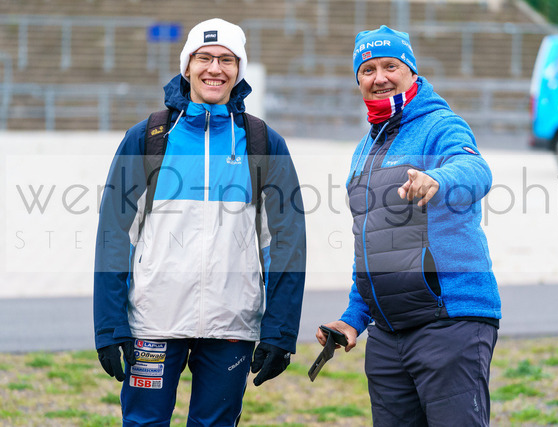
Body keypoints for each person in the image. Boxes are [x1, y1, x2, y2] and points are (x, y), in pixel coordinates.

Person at [94, 18, 306, 426]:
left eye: (227, 59)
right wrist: (109, 325)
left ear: (239, 69)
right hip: (153, 321)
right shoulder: (148, 137)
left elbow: (286, 242)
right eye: (204, 57)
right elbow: (114, 234)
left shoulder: (263, 142)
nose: (215, 69)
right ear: (187, 65)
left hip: (232, 323)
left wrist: (280, 331)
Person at [316, 25, 501, 426]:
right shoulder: (366, 148)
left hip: (449, 321)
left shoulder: (440, 124)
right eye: (367, 70)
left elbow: (476, 169)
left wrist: (438, 179)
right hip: (388, 335)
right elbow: (373, 245)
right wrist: (353, 317)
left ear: (411, 71)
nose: (379, 77)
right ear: (358, 81)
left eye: (390, 66)